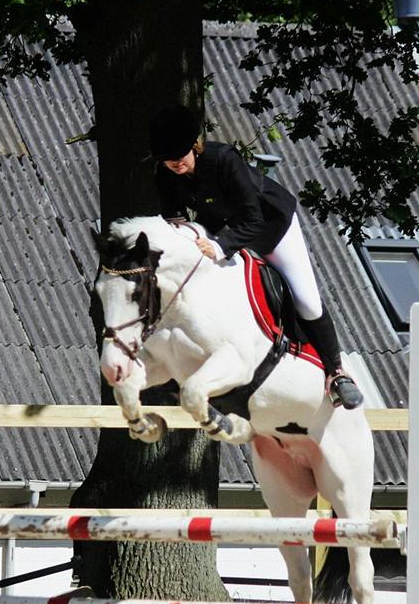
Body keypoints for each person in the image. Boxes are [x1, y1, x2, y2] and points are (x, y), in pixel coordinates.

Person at [148, 104, 363, 410]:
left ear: (194, 146)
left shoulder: (224, 160)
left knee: (306, 299)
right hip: (220, 226)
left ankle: (337, 374)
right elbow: (175, 220)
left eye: (179, 155)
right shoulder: (166, 173)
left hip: (271, 224)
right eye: (167, 159)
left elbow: (252, 219)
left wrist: (221, 247)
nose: (174, 163)